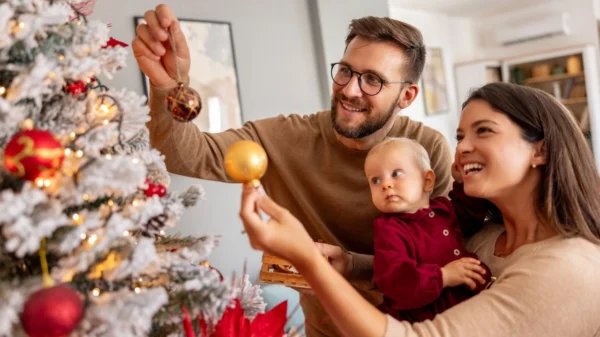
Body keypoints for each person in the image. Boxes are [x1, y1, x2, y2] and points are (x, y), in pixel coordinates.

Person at [133, 5, 452, 336]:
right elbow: (185, 155)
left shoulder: (428, 149)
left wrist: (351, 265)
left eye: (373, 80)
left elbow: (446, 257)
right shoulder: (284, 138)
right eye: (346, 71)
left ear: (407, 95)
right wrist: (169, 85)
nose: (350, 90)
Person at [239, 82, 600, 337]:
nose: (463, 148)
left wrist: (309, 261)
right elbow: (425, 262)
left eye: (484, 131)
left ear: (541, 151)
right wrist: (351, 265)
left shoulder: (569, 269)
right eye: (460, 137)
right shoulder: (483, 239)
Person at [365, 137, 491, 323]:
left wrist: (461, 181)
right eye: (376, 180)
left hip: (466, 303)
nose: (386, 184)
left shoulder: (443, 209)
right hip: (423, 316)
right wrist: (444, 276)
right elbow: (395, 279)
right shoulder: (389, 229)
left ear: (427, 181)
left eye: (396, 174)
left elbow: (470, 218)